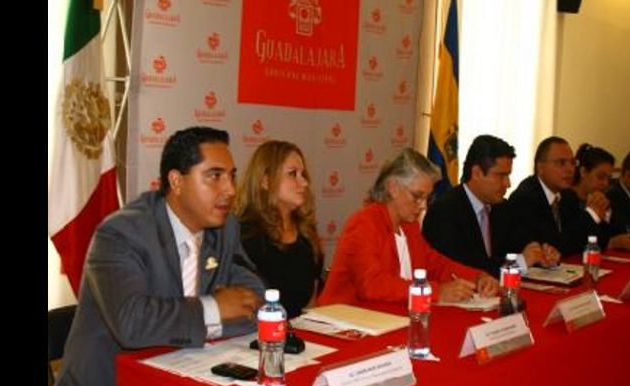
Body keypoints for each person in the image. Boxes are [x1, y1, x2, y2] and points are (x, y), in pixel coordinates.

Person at [48, 127, 266, 386]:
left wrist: (206, 318)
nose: (230, 190)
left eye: (231, 176)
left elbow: (256, 300)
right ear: (176, 181)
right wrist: (214, 310)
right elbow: (132, 324)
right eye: (214, 176)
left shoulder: (225, 227)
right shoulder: (120, 233)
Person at [318, 148, 499, 306]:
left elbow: (436, 264)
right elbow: (372, 286)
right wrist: (436, 292)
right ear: (393, 187)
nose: (422, 206)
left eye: (427, 198)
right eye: (417, 196)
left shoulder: (409, 226)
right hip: (344, 324)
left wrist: (477, 277)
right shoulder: (363, 223)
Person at [422, 135, 560, 275]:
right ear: (476, 173)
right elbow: (463, 269)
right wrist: (520, 262)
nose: (508, 184)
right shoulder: (444, 211)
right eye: (501, 175)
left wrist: (541, 254)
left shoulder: (502, 208)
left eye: (508, 176)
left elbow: (521, 245)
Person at [234, 140, 323, 318]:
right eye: (293, 174)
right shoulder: (243, 235)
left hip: (300, 336)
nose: (304, 182)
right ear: (265, 181)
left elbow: (311, 303)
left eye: (303, 174)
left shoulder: (306, 233)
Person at [505, 136, 597, 256]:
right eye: (561, 163)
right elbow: (554, 246)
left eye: (573, 162)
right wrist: (591, 215)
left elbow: (584, 242)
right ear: (540, 168)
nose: (570, 169)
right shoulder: (525, 198)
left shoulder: (568, 196)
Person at [568, 143, 630, 250]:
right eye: (600, 177)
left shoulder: (601, 199)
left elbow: (606, 234)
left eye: (608, 178)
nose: (605, 183)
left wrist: (606, 215)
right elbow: (574, 241)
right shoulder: (566, 199)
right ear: (583, 172)